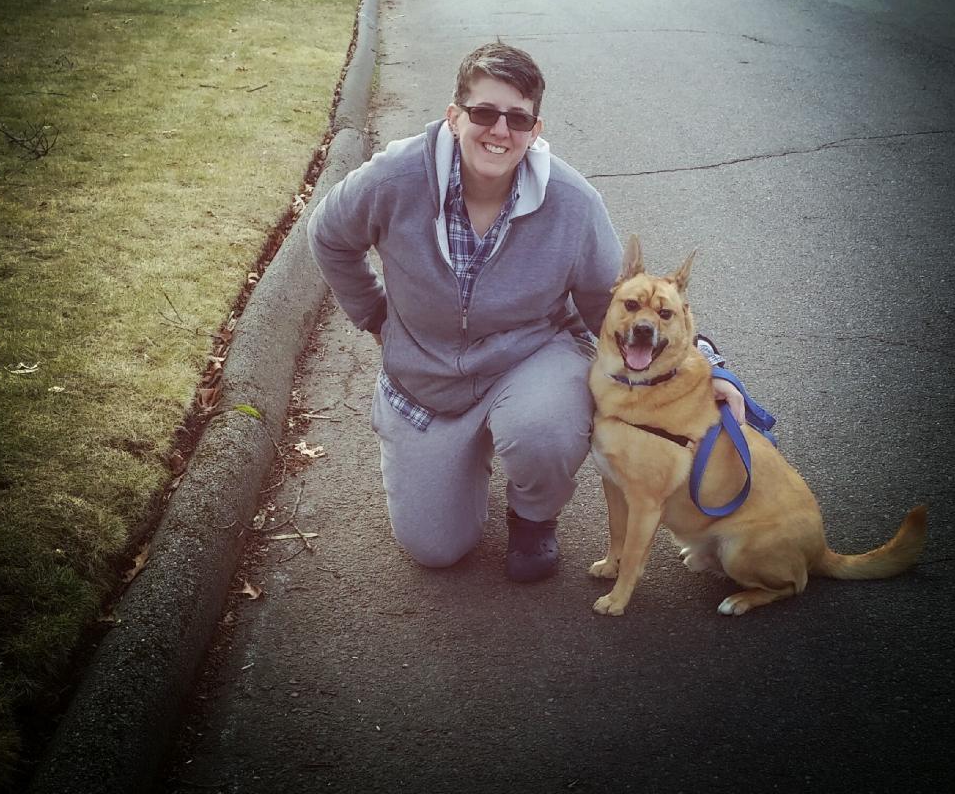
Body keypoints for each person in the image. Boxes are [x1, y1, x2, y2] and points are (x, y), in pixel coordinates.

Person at [307, 42, 742, 582]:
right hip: (424, 379)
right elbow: (327, 236)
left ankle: (533, 517)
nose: (499, 130)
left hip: (528, 359)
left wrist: (704, 366)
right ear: (454, 116)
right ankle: (460, 455)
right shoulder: (394, 179)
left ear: (535, 129)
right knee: (436, 548)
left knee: (545, 429)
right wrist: (374, 316)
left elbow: (615, 305)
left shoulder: (572, 202)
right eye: (484, 112)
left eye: (517, 118)